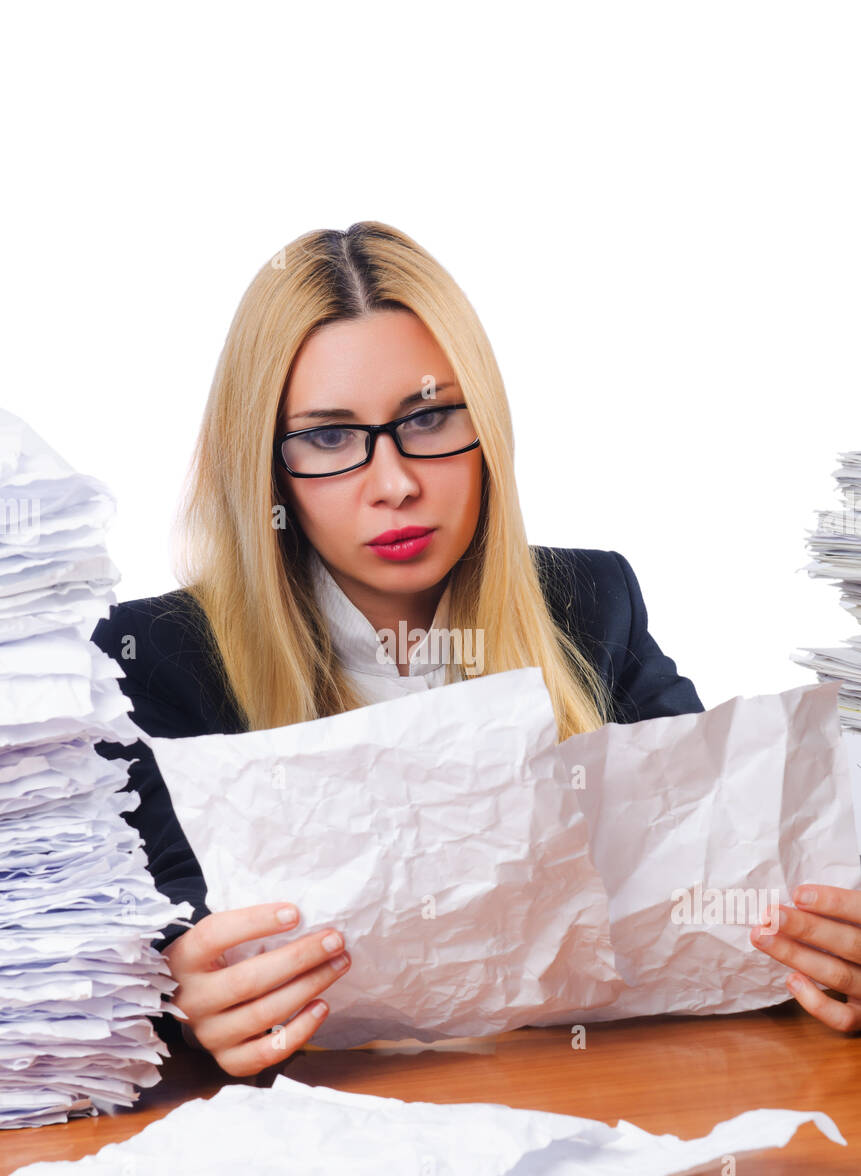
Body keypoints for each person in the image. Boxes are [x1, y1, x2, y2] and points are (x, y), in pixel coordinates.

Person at [90, 222, 858, 1078]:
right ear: (263, 468)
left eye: (427, 418)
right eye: (329, 437)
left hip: (584, 1099)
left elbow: (722, 875)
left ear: (485, 425)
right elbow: (124, 934)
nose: (394, 484)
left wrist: (822, 949)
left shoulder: (593, 602)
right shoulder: (149, 657)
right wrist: (170, 1002)